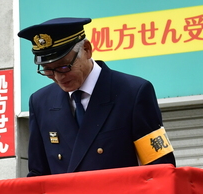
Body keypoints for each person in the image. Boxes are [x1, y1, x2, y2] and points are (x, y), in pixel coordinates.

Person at [17, 17, 176, 176]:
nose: (58, 78)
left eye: (64, 67)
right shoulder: (41, 102)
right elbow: (38, 174)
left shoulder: (133, 93)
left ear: (86, 49)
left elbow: (160, 166)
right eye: (47, 70)